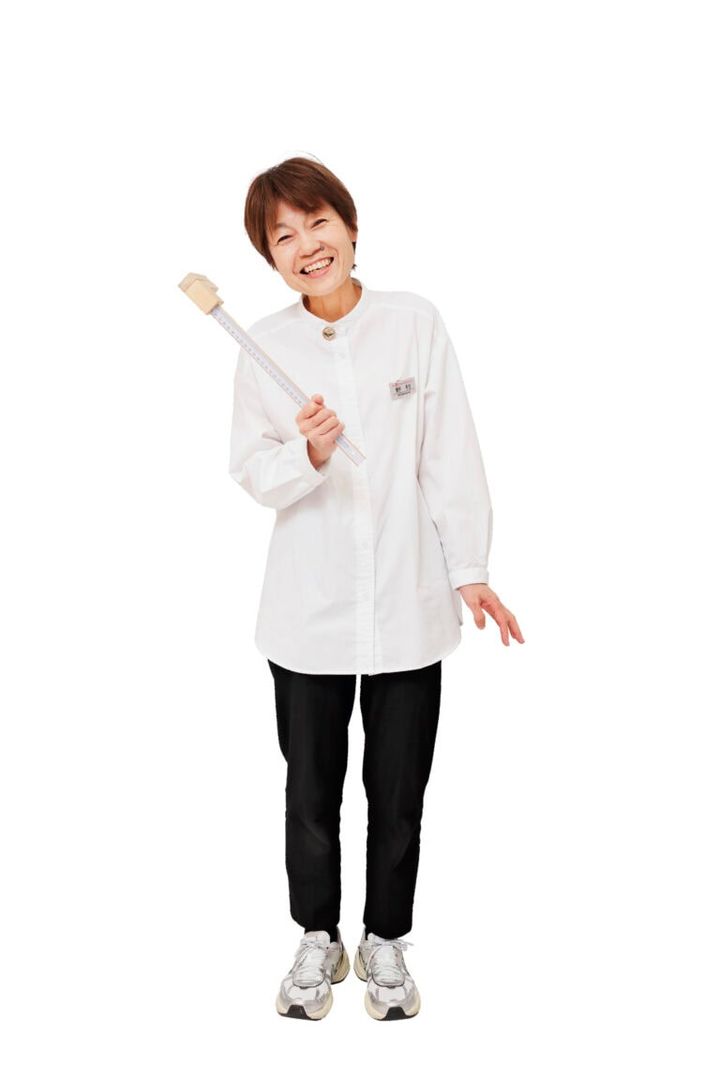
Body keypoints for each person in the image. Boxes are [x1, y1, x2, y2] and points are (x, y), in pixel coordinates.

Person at [230, 156, 524, 1021]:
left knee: (398, 794)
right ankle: (317, 936)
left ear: (352, 229)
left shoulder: (414, 324)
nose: (306, 245)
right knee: (310, 794)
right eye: (283, 236)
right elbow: (252, 471)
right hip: (307, 613)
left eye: (317, 223)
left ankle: (385, 938)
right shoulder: (263, 346)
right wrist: (309, 452)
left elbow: (448, 454)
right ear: (271, 259)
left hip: (409, 602)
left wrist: (470, 570)